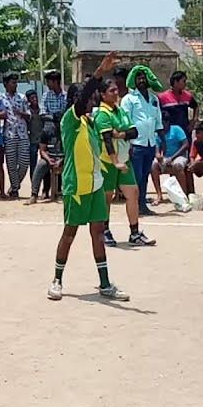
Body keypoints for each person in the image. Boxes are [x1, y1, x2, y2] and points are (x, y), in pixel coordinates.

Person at [47, 53, 130, 303]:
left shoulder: (91, 122)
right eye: (89, 98)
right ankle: (57, 280)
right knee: (69, 233)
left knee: (97, 233)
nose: (92, 101)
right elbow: (83, 96)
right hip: (76, 186)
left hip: (95, 185)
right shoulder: (70, 121)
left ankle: (105, 283)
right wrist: (100, 72)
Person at [93, 78, 155, 247]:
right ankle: (104, 231)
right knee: (106, 197)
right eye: (111, 91)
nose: (116, 93)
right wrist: (115, 162)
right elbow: (107, 139)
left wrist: (120, 134)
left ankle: (135, 233)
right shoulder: (102, 114)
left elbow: (134, 132)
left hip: (124, 159)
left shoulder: (119, 111)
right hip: (108, 162)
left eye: (116, 90)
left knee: (133, 193)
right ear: (103, 94)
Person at [121, 64, 165, 215]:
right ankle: (134, 205)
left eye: (143, 78)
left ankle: (142, 205)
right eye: (138, 78)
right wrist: (128, 144)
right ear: (134, 80)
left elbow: (158, 120)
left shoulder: (154, 99)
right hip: (136, 144)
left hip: (150, 143)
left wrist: (162, 140)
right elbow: (126, 121)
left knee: (145, 175)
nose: (141, 80)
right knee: (136, 176)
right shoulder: (129, 99)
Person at [30, 87, 68, 204]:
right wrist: (49, 159)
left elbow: (70, 150)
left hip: (64, 158)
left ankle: (64, 193)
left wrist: (61, 160)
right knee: (40, 165)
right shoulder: (46, 131)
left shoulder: (67, 132)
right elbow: (42, 150)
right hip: (49, 157)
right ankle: (34, 194)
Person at [2, 74, 31, 198]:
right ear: (6, 84)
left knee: (24, 163)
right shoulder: (1, 99)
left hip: (22, 133)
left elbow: (29, 115)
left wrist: (20, 113)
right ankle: (14, 189)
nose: (15, 85)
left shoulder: (22, 97)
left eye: (16, 82)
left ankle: (15, 184)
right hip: (9, 134)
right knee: (11, 164)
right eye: (13, 82)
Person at [158, 70, 197, 139]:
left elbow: (196, 107)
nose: (185, 84)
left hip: (185, 131)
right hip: (170, 133)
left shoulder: (187, 96)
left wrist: (193, 122)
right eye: (183, 81)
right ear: (176, 82)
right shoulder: (162, 97)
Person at [156, 122, 190, 197]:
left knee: (177, 165)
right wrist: (157, 154)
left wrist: (172, 158)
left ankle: (183, 195)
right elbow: (157, 146)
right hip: (165, 157)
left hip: (179, 156)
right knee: (153, 165)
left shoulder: (176, 129)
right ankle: (159, 194)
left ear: (167, 122)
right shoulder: (158, 132)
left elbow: (186, 144)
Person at [26, 88, 43, 186]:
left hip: (42, 139)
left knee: (44, 163)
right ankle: (34, 185)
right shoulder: (27, 111)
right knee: (33, 164)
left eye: (35, 97)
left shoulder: (42, 109)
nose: (34, 99)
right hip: (32, 140)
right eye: (32, 98)